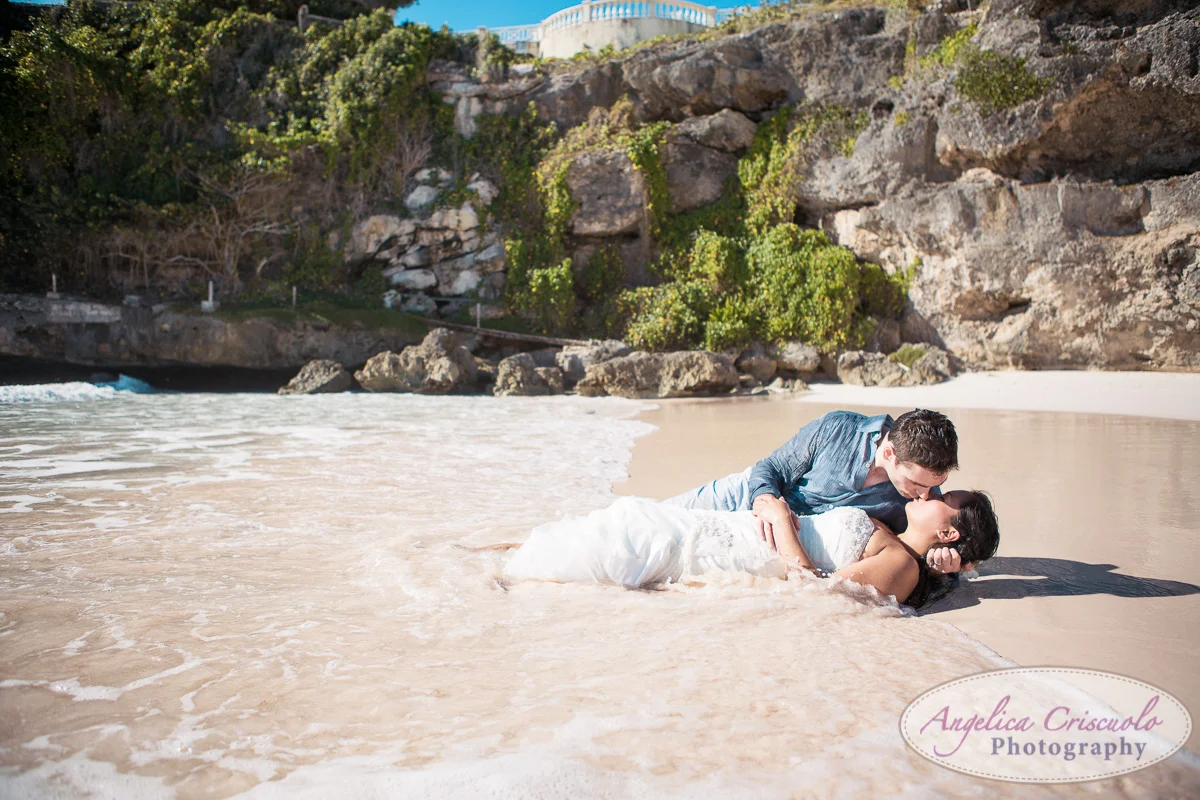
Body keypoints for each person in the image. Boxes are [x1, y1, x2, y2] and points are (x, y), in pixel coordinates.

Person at [497, 490, 1000, 608]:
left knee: (607, 548)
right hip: (720, 525)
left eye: (944, 500)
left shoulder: (900, 565)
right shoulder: (894, 533)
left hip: (727, 549)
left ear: (949, 532)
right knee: (605, 531)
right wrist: (956, 572)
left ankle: (463, 578)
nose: (932, 493)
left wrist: (781, 519)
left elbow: (816, 594)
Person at [664, 408, 969, 575]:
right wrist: (765, 500)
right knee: (656, 518)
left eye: (932, 486)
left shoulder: (921, 497)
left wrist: (949, 564)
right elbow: (771, 468)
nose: (925, 495)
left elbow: (918, 545)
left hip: (788, 540)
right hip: (748, 494)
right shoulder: (837, 428)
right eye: (917, 484)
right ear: (889, 454)